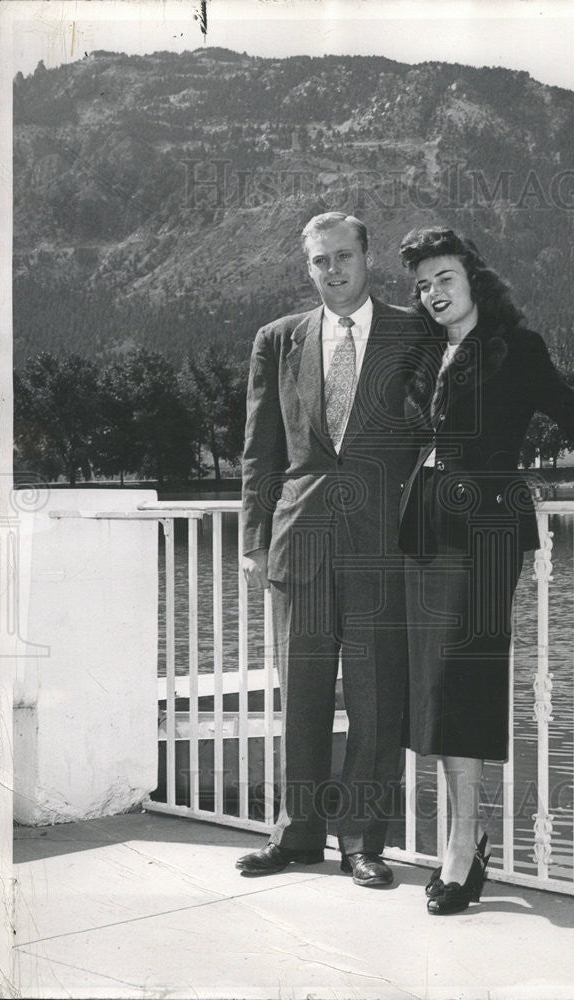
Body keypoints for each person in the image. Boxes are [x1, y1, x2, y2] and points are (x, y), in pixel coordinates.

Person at [397, 226, 574, 914]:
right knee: (437, 689)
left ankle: (467, 841)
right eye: (422, 285)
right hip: (426, 528)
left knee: (463, 678)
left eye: (444, 278)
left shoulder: (516, 349)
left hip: (485, 528)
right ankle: (464, 837)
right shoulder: (429, 353)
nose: (432, 294)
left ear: (474, 278)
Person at [235, 212, 426, 887]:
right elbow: (259, 451)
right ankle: (296, 835)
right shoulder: (278, 340)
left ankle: (362, 843)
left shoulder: (413, 332)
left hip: (383, 546)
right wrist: (256, 541)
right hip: (300, 542)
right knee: (304, 697)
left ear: (368, 257)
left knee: (378, 702)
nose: (334, 270)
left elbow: (447, 428)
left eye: (344, 256)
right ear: (307, 266)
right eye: (321, 261)